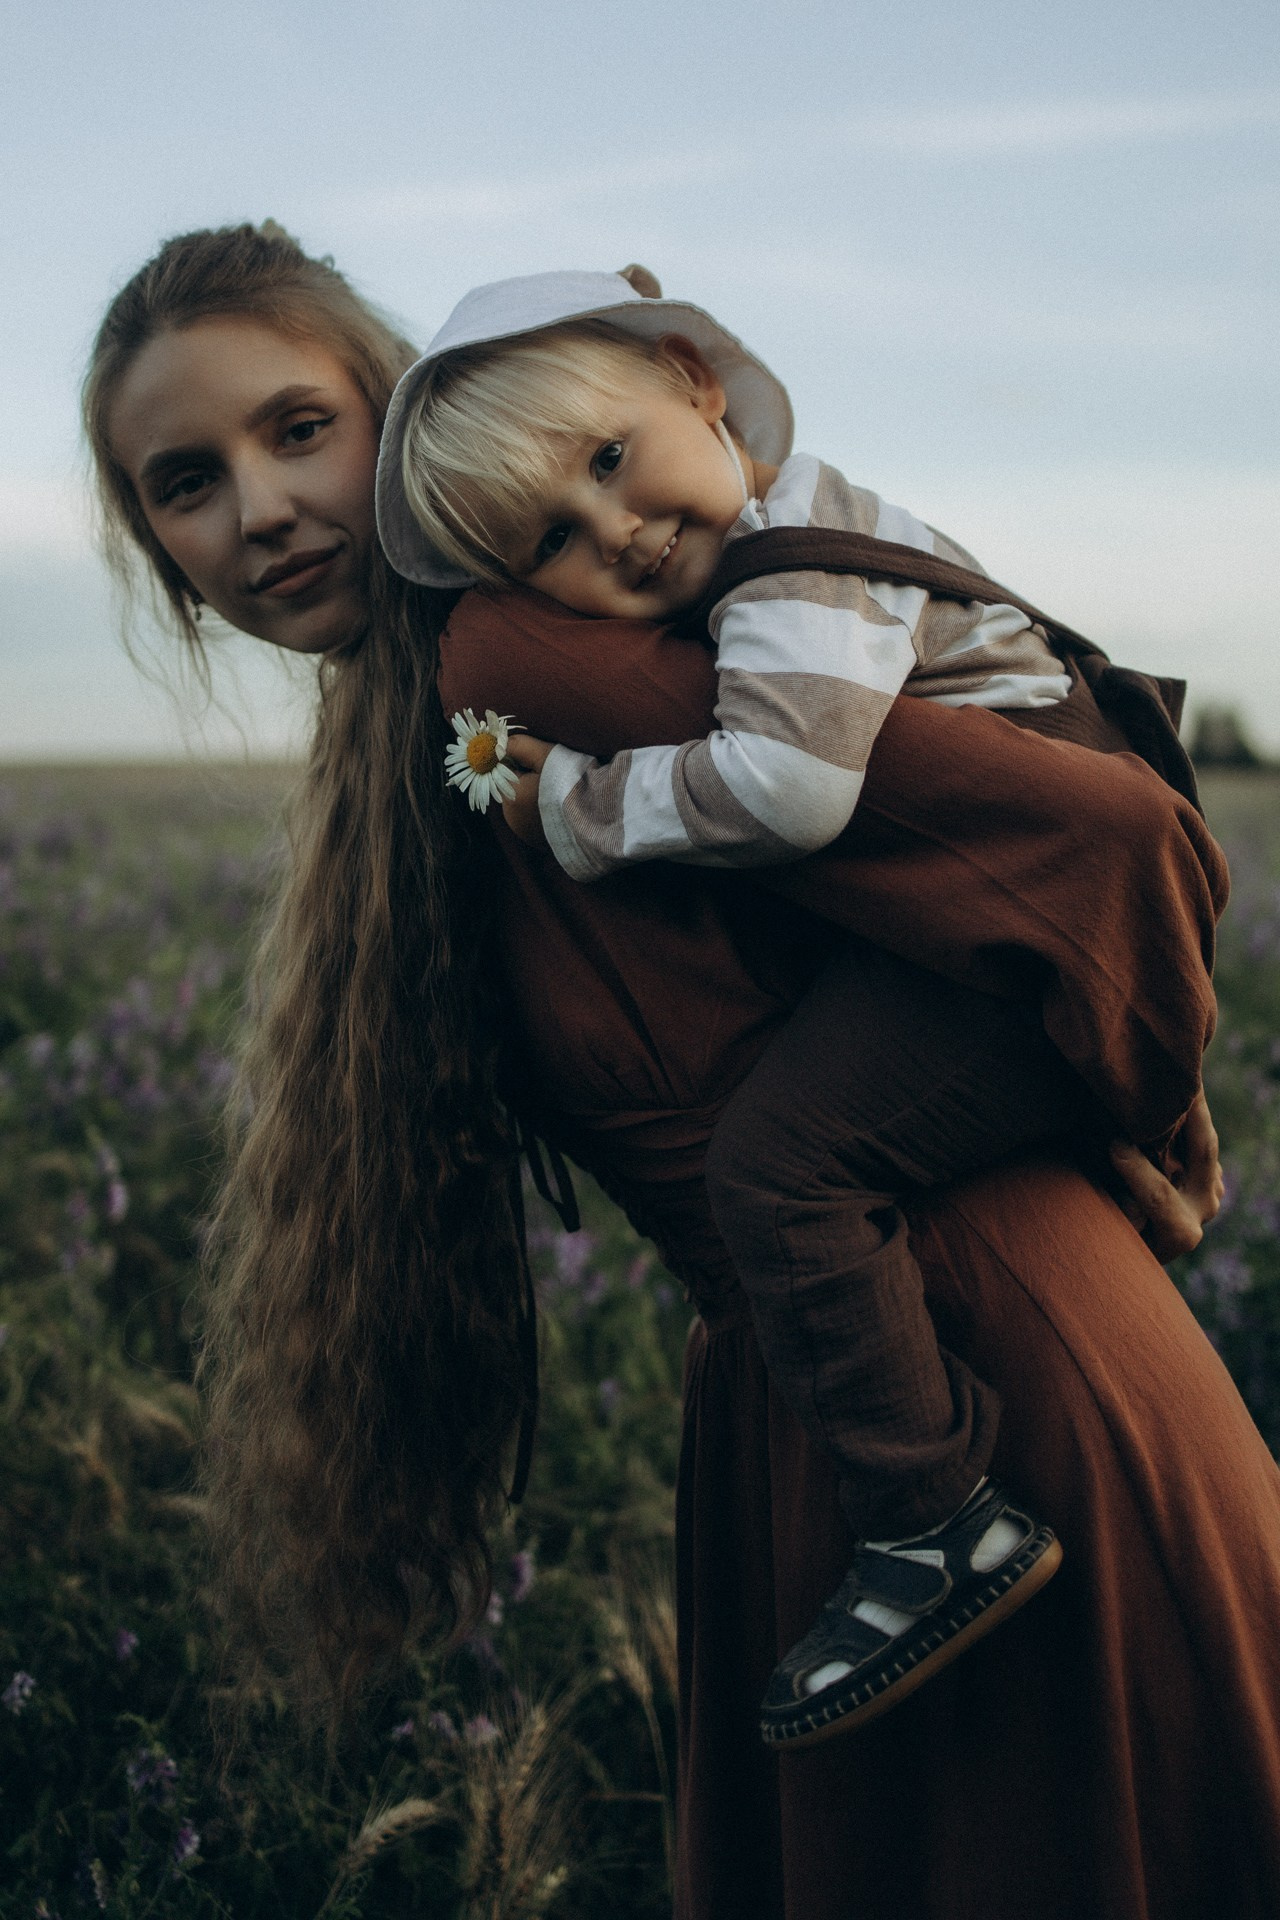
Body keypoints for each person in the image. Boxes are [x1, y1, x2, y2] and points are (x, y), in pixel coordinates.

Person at [84, 224, 1280, 1920]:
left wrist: (1135, 1076)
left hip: (988, 1407)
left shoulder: (525, 660)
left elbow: (1098, 844)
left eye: (300, 430)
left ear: (411, 423)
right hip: (858, 1403)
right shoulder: (437, 718)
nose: (259, 510)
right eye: (184, 482)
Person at [375, 267, 1202, 1745]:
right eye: (549, 540)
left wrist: (571, 803)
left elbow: (791, 786)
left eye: (611, 460)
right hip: (1003, 945)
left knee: (784, 1167)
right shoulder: (787, 543)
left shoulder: (792, 575)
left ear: (699, 382)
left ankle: (936, 1512)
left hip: (1010, 959)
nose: (614, 531)